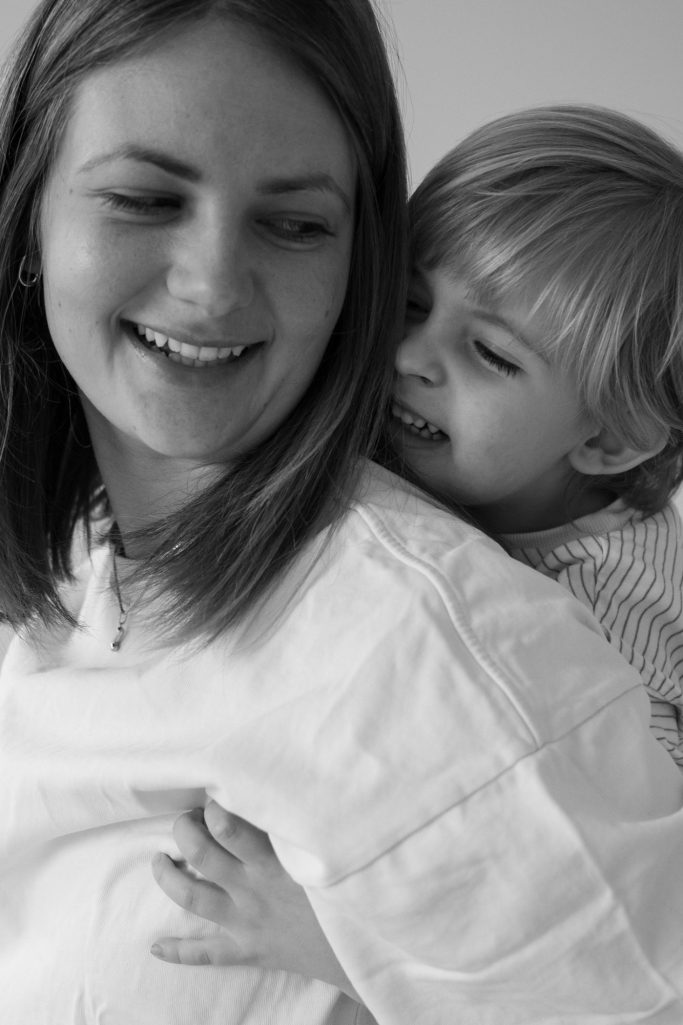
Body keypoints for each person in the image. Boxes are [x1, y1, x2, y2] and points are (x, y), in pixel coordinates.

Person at [1, 0, 683, 1015]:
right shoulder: (94, 547)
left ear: (609, 437)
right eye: (143, 197)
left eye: (294, 222)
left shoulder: (539, 627)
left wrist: (354, 937)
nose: (210, 284)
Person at [151, 106, 683, 1015]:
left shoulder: (608, 617)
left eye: (488, 354)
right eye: (409, 302)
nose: (406, 355)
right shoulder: (451, 491)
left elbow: (611, 912)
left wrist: (345, 942)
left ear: (610, 439)